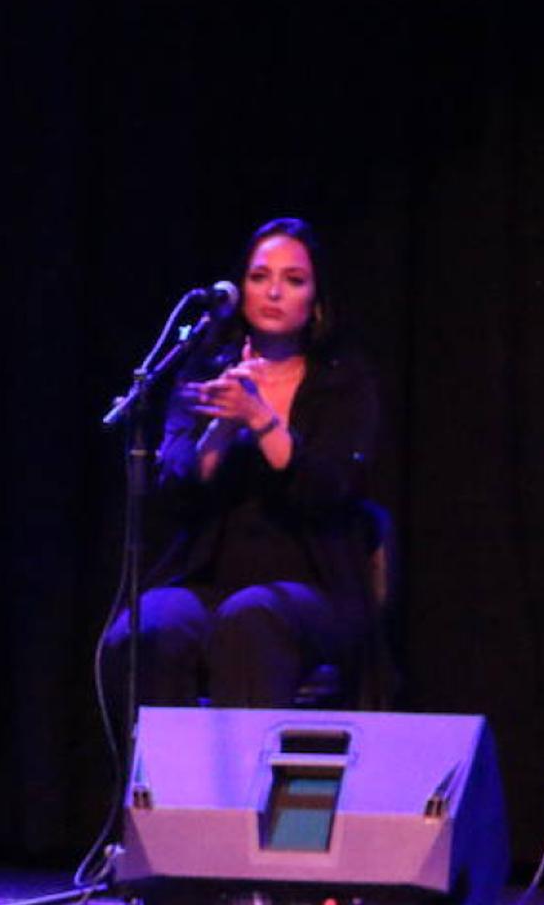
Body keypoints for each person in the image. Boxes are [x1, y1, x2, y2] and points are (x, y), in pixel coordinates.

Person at [102, 218, 384, 715]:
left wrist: (260, 418)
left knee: (251, 618)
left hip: (313, 584)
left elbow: (328, 489)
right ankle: (159, 791)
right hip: (210, 579)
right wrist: (226, 426)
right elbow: (177, 491)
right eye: (259, 277)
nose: (273, 291)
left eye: (293, 280)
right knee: (147, 629)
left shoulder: (343, 381)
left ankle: (240, 795)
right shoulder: (206, 370)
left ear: (315, 300)